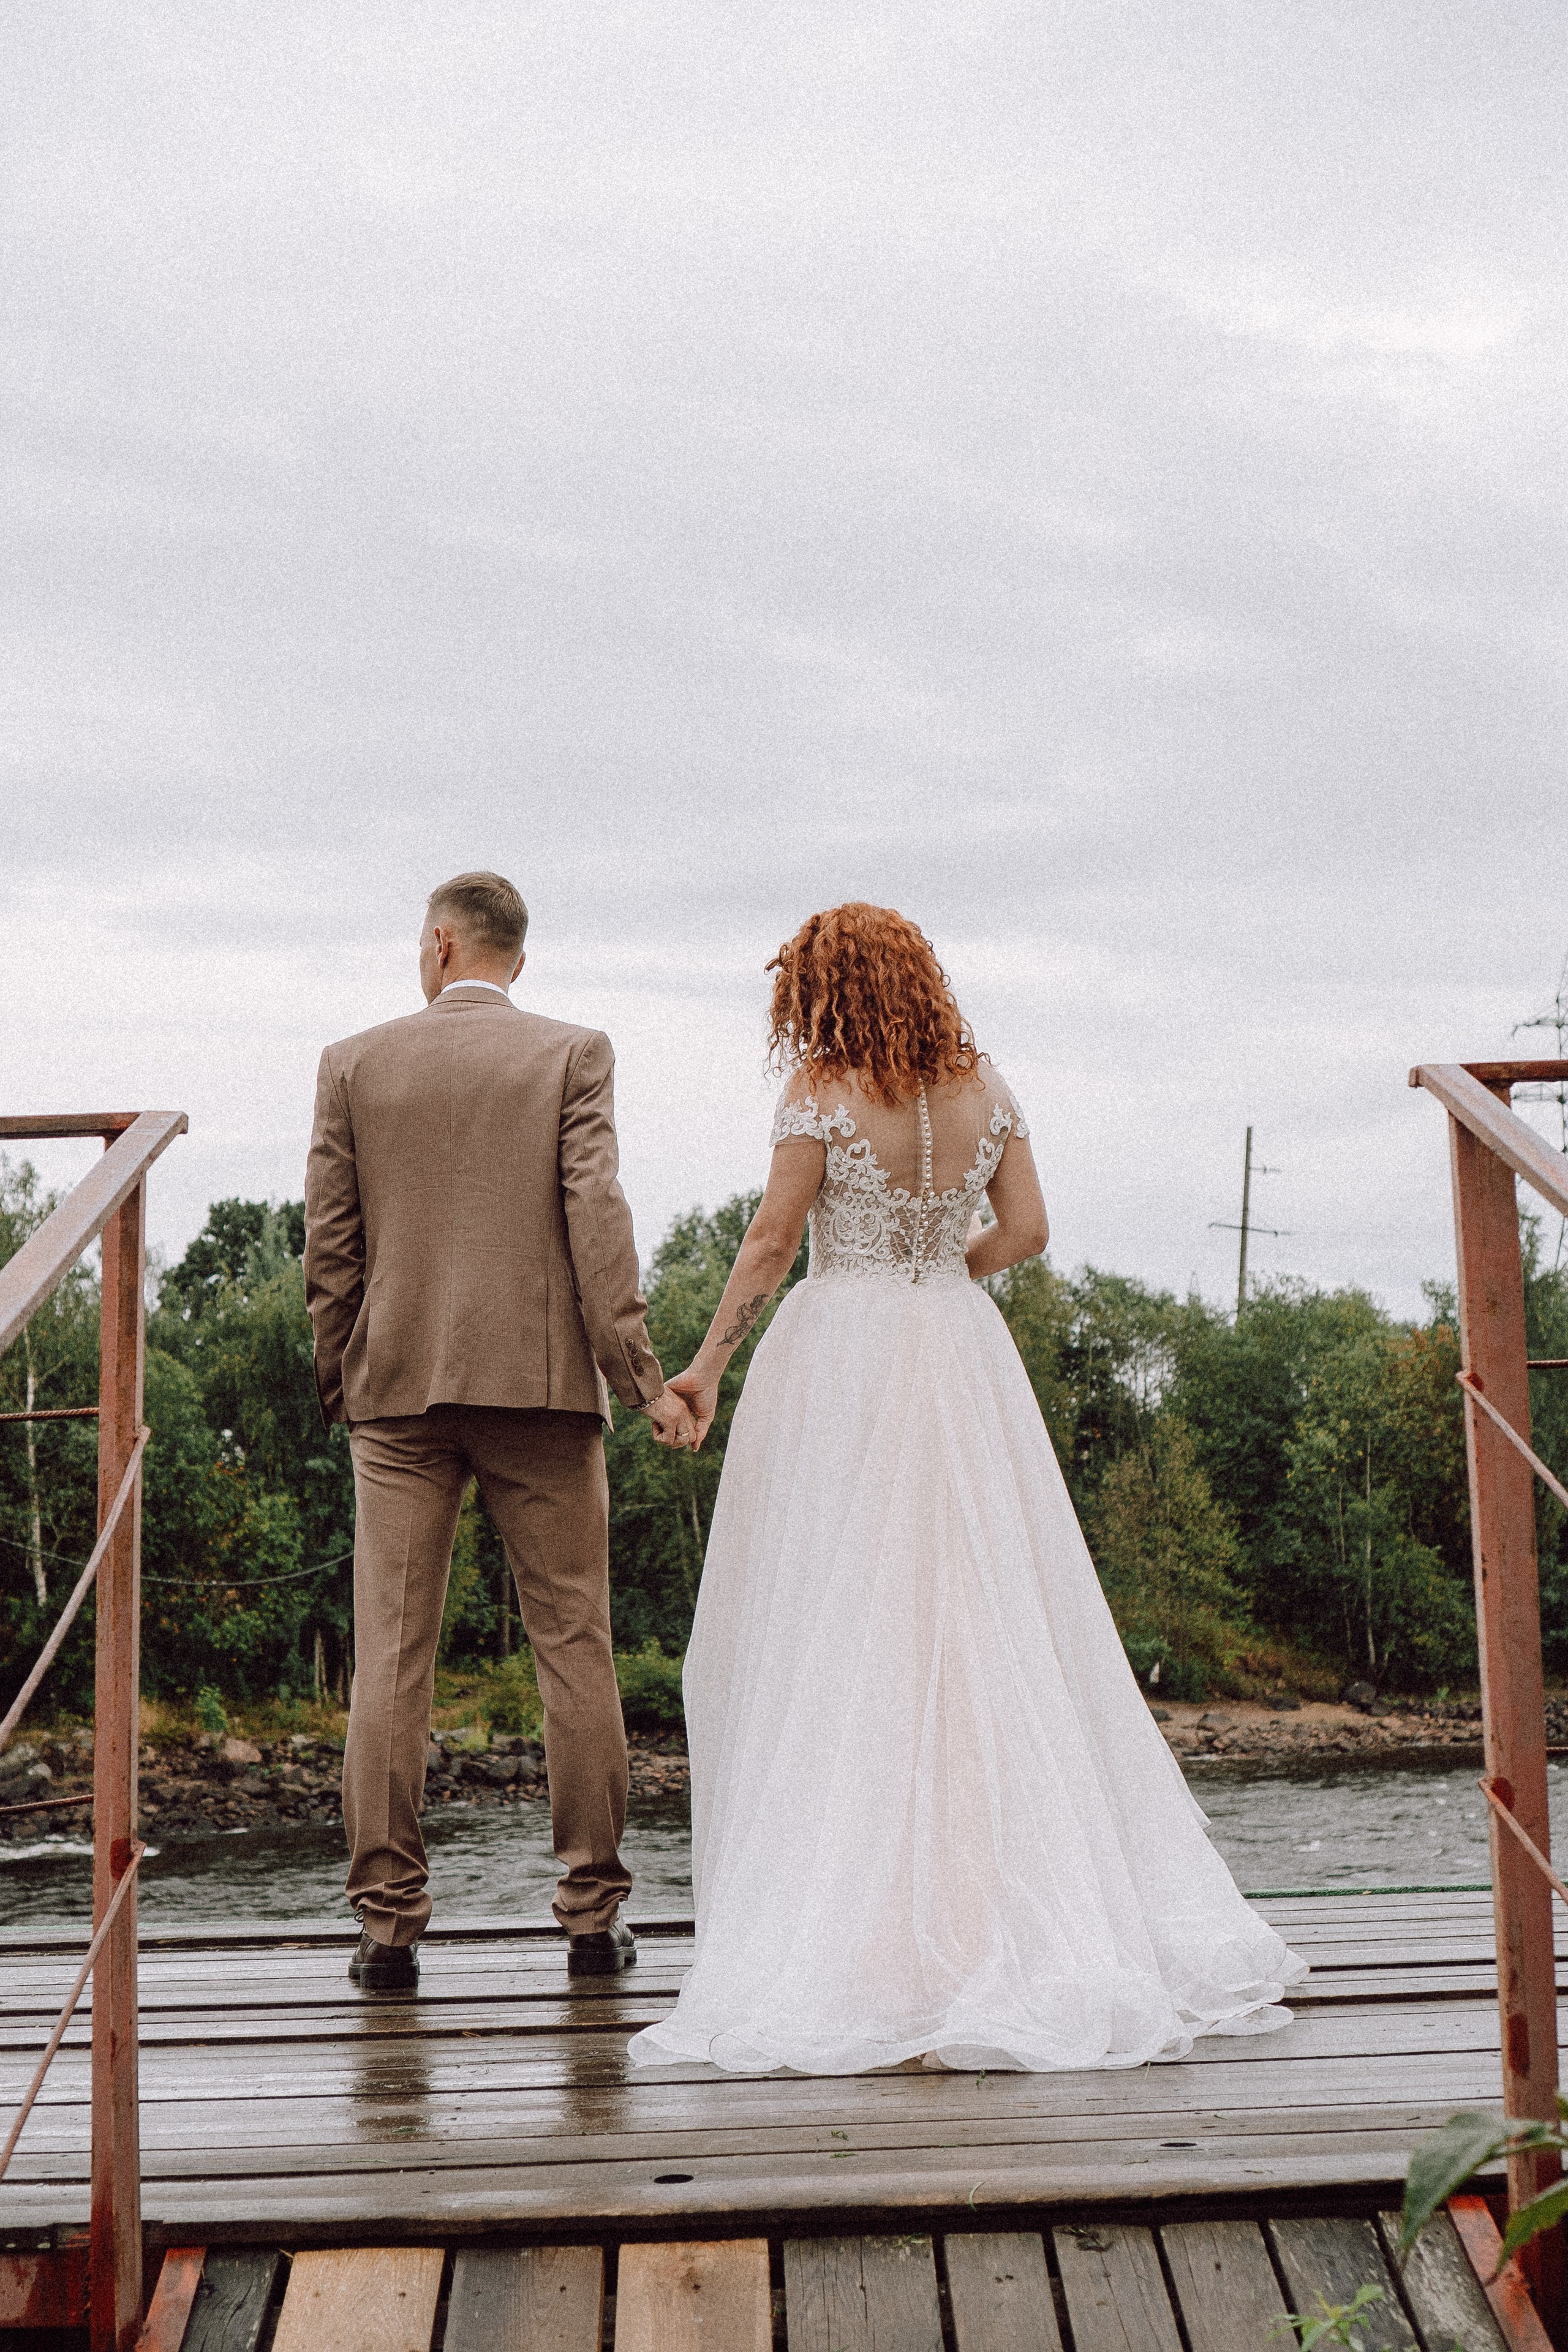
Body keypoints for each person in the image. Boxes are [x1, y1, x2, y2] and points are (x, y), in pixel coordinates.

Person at [628, 902, 1305, 2074]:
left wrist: (703, 1369)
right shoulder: (987, 1087)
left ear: (820, 992)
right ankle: (1010, 1909)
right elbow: (1029, 1230)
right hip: (957, 1346)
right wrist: (937, 1270)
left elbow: (770, 1247)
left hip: (842, 1358)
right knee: (989, 1618)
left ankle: (866, 1931)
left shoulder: (823, 1095)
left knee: (843, 1626)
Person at [304, 870, 695, 1993]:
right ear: (512, 957)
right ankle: (589, 1916)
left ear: (439, 945)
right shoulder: (573, 1053)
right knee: (575, 1646)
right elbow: (597, 1222)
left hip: (397, 1394)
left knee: (390, 1655)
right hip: (543, 1388)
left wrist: (341, 1376)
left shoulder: (353, 1062)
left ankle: (387, 1931)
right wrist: (642, 1375)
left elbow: (333, 1240)